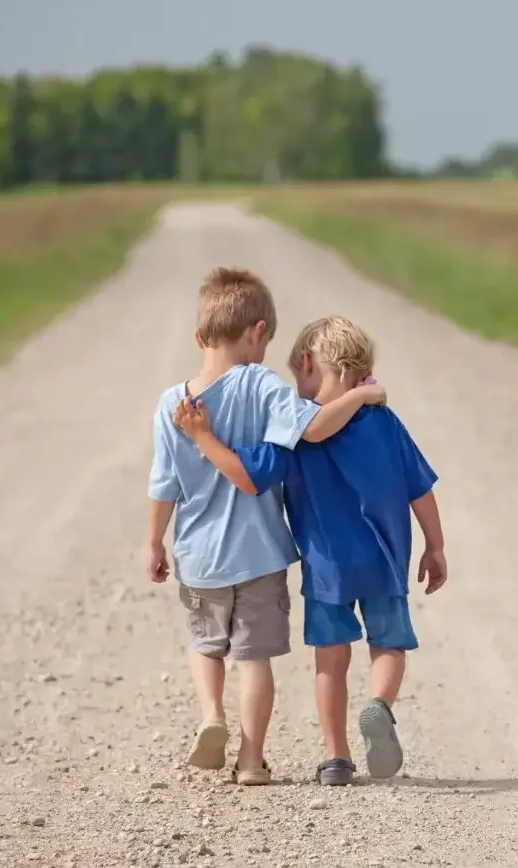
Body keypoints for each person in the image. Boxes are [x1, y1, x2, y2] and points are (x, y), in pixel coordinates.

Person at [172, 315, 446, 787]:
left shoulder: (293, 433)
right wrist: (435, 546)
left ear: (306, 363)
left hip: (327, 570)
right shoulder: (383, 421)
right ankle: (379, 705)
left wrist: (203, 437)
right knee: (389, 646)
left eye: (299, 376)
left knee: (330, 662)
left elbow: (246, 474)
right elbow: (419, 488)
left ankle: (336, 757)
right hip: (385, 560)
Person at [147, 270, 386, 786]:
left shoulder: (172, 404)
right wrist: (363, 397)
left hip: (199, 554)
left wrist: (153, 543)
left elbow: (164, 485)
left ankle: (212, 714)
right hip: (259, 554)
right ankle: (252, 760)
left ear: (199, 338)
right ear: (257, 333)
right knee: (254, 660)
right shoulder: (261, 384)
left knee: (206, 644)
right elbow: (316, 426)